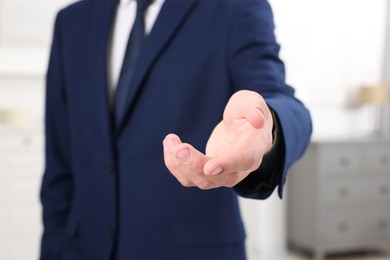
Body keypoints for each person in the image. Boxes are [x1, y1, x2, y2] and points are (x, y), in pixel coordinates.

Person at [40, 0, 312, 259]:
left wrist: (268, 125)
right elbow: (59, 166)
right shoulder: (70, 22)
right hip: (81, 250)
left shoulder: (235, 6)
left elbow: (280, 98)